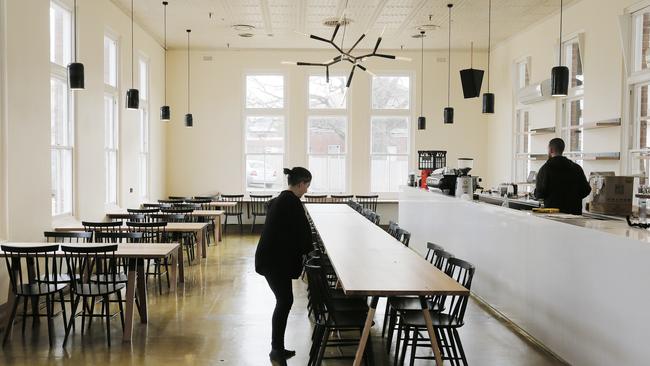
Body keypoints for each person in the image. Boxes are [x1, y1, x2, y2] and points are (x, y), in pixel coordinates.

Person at [255, 167, 314, 361]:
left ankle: (277, 347)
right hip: (274, 262)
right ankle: (276, 349)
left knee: (284, 300)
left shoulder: (280, 199)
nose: (307, 190)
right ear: (301, 183)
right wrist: (311, 252)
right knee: (284, 301)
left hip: (269, 259)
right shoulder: (292, 203)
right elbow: (304, 234)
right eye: (307, 186)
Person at [534, 138, 591, 214]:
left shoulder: (545, 169)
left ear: (551, 150)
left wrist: (535, 193)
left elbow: (540, 193)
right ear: (562, 149)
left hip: (553, 214)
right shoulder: (576, 168)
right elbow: (586, 189)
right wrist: (573, 197)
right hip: (574, 213)